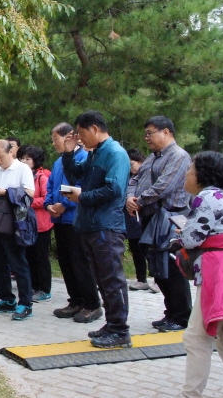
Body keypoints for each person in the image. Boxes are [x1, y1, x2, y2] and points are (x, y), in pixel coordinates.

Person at [62, 110, 132, 348]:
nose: (80, 138)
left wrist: (83, 197)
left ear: (94, 128)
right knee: (102, 279)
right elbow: (75, 176)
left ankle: (120, 331)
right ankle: (112, 324)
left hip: (106, 226)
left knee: (112, 280)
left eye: (81, 133)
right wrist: (68, 152)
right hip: (90, 225)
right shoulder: (95, 153)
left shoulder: (115, 153)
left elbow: (114, 189)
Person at [126, 115, 193, 332]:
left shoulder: (178, 156)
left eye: (150, 133)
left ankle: (182, 316)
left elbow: (164, 186)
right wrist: (129, 197)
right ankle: (170, 312)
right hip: (151, 217)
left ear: (166, 132)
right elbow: (135, 179)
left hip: (169, 218)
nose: (146, 137)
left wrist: (139, 201)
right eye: (145, 134)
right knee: (158, 269)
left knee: (172, 268)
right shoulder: (152, 158)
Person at [179, 151, 223, 398]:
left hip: (217, 274)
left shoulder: (207, 197)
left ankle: (191, 394)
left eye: (190, 169)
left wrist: (180, 233)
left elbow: (191, 239)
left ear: (202, 175)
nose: (187, 174)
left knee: (197, 337)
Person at [45, 123, 102, 323]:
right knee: (66, 262)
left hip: (75, 219)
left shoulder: (84, 158)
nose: (54, 143)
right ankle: (75, 300)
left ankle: (92, 304)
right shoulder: (58, 162)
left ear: (68, 137)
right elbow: (51, 186)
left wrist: (65, 204)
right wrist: (48, 204)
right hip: (59, 220)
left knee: (80, 262)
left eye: (56, 139)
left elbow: (82, 186)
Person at [0, 140, 35, 321]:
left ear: (11, 152)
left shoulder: (22, 169)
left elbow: (30, 194)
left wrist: (5, 192)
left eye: (1, 157)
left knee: (18, 263)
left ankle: (25, 303)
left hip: (13, 223)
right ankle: (6, 299)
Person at [22, 145, 53, 302]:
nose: (24, 161)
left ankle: (45, 289)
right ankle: (34, 286)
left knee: (41, 257)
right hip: (27, 224)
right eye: (23, 158)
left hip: (41, 224)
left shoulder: (42, 177)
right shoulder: (22, 176)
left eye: (28, 159)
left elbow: (47, 198)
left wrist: (29, 202)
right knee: (30, 257)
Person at [125, 148, 153, 291]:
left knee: (150, 249)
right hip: (132, 218)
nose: (131, 167)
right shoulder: (128, 178)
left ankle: (157, 278)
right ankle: (141, 279)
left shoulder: (149, 173)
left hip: (147, 216)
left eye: (132, 164)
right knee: (136, 249)